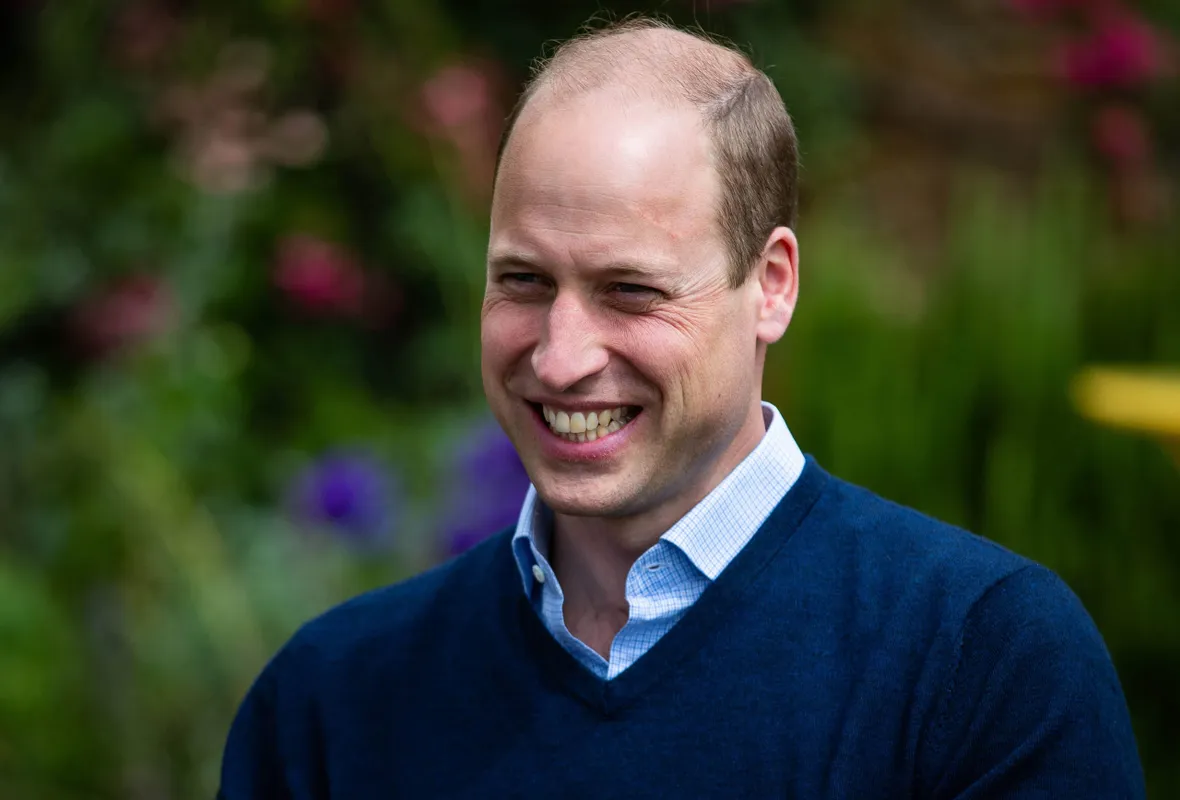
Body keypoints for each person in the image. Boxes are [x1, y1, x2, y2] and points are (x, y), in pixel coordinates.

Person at [219, 17, 1144, 799]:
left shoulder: (982, 666)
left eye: (630, 291)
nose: (561, 356)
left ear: (771, 285)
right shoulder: (331, 703)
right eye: (524, 281)